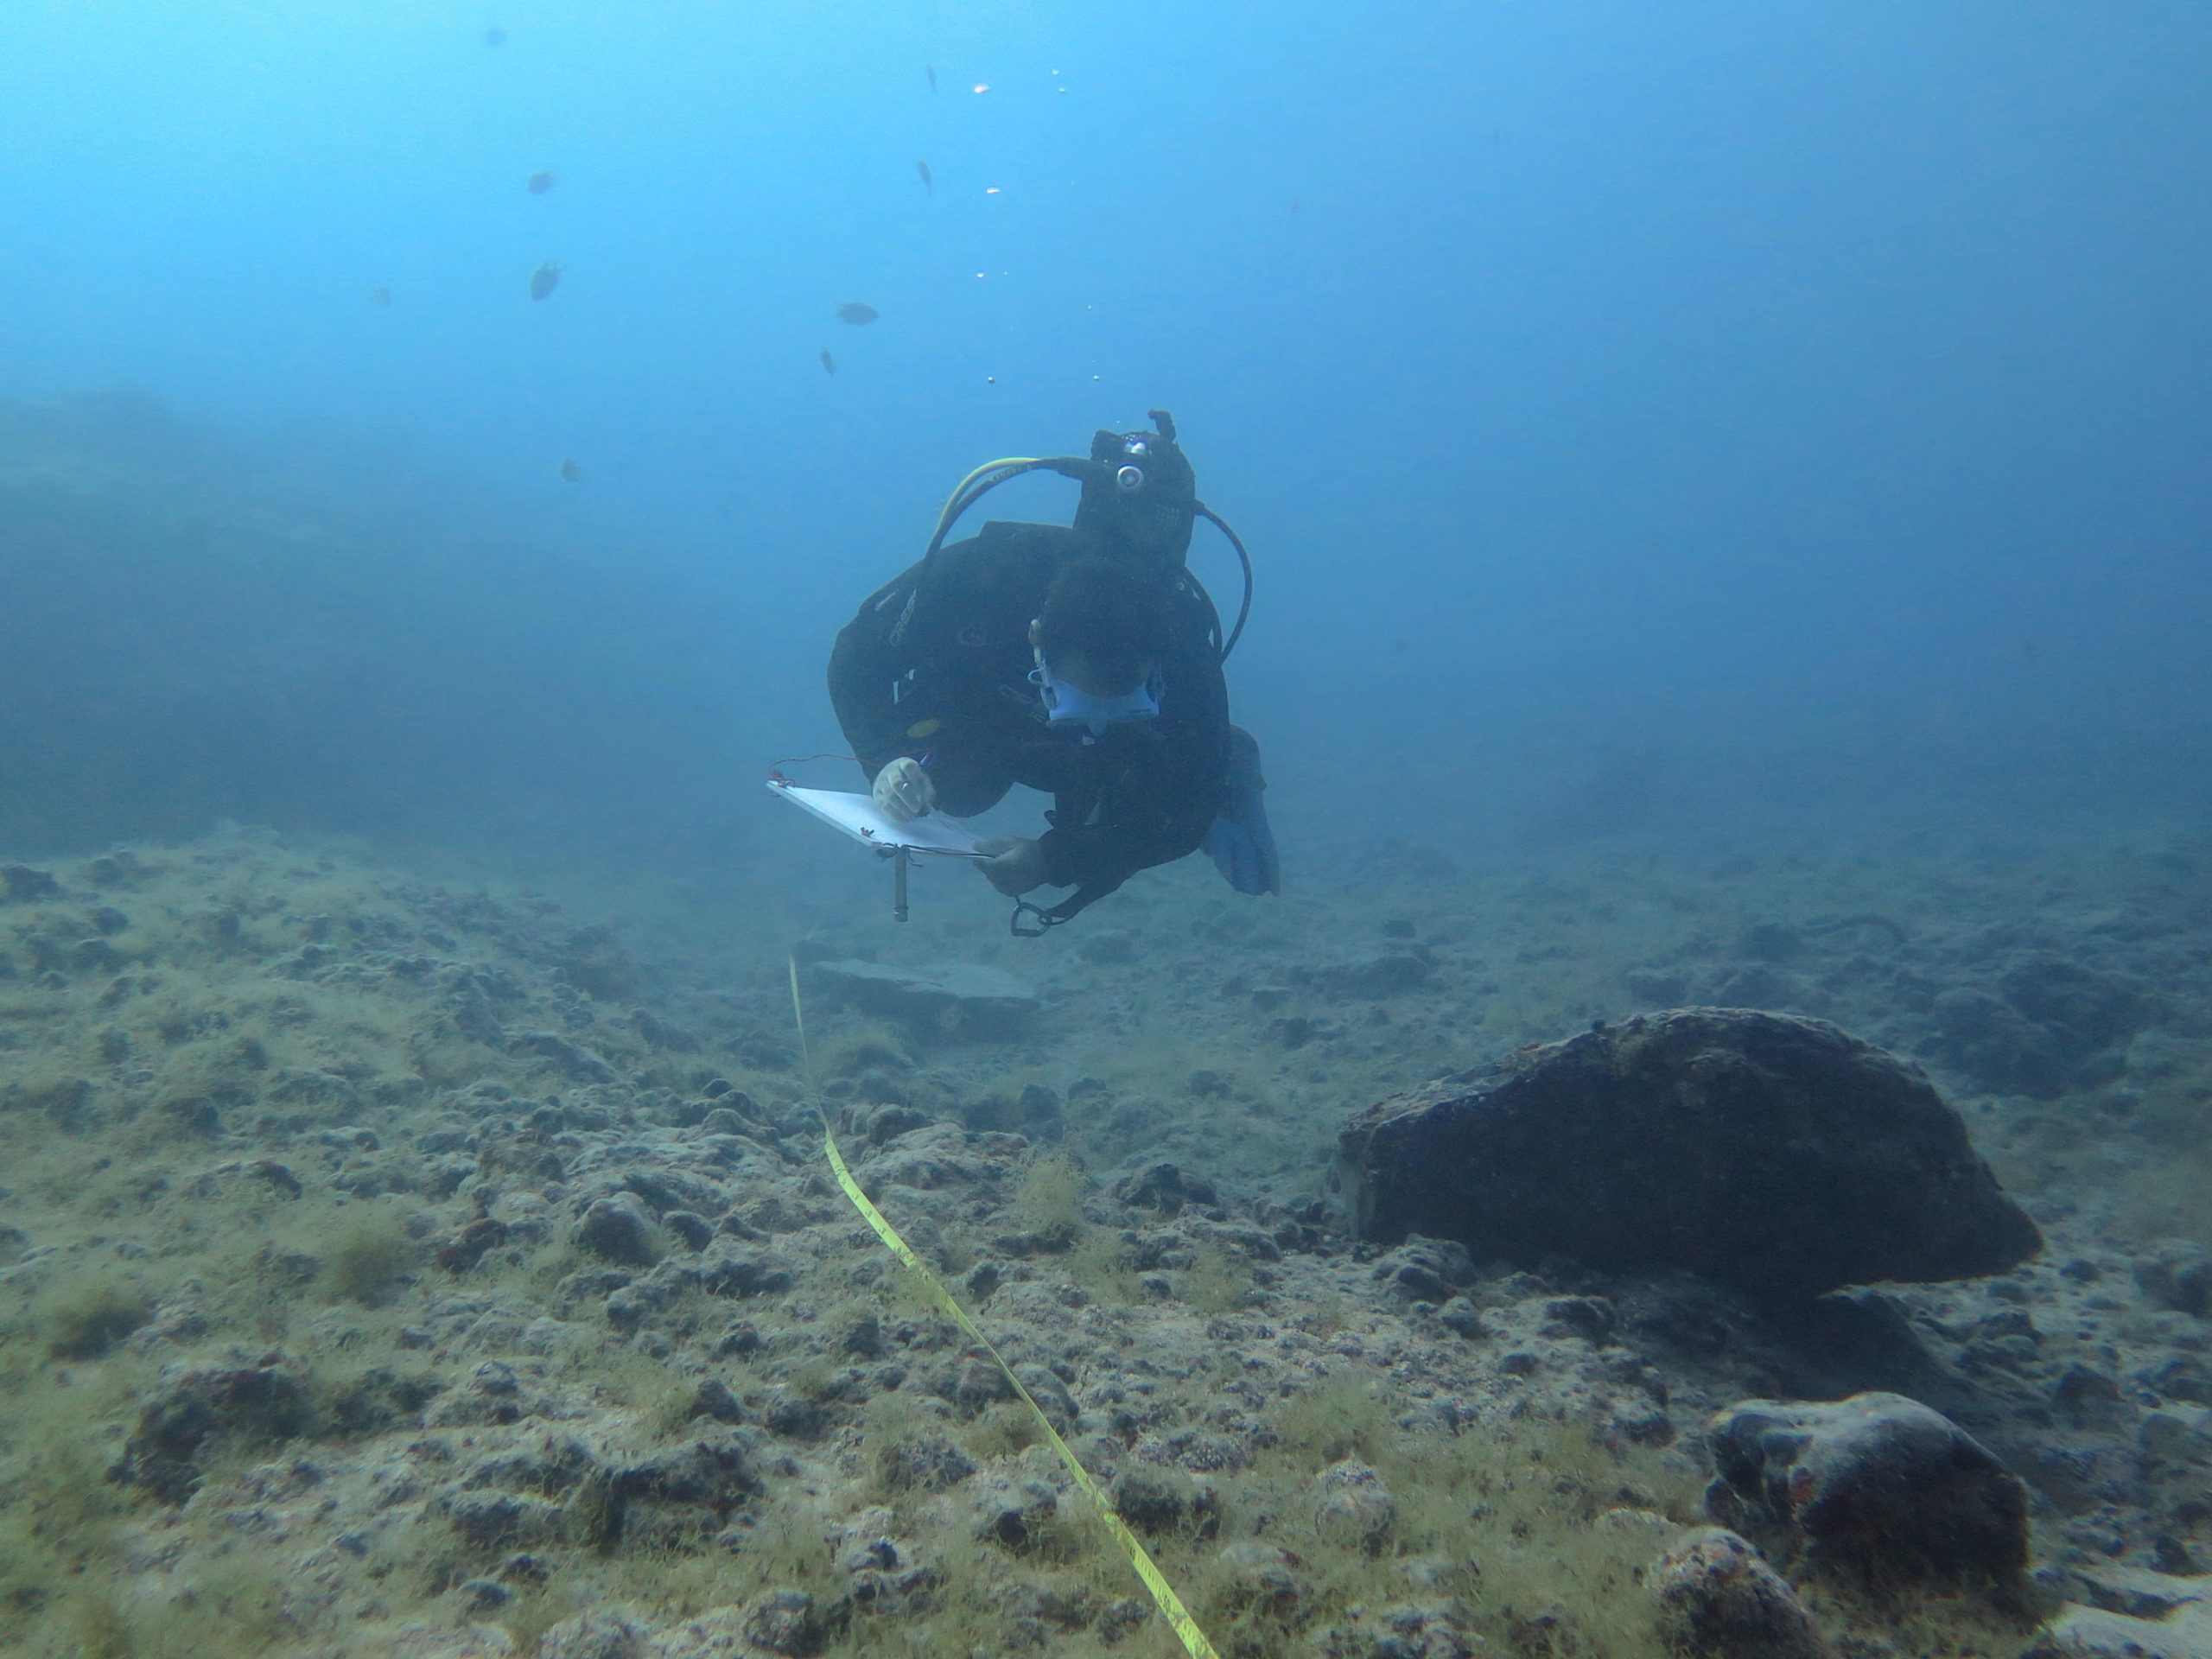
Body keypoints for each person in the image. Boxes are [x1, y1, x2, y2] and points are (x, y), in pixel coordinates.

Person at [828, 412, 1279, 931]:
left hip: (1110, 762)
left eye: (1124, 703)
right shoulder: (976, 579)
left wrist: (1057, 859)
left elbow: (1186, 808)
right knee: (955, 793)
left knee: (1149, 792)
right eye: (1079, 702)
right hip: (989, 718)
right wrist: (883, 759)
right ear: (1036, 641)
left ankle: (1229, 752)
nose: (1096, 723)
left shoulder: (1182, 640)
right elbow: (855, 656)